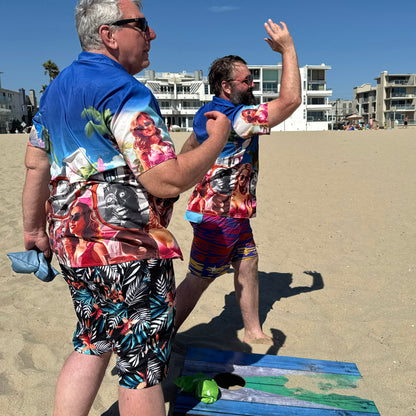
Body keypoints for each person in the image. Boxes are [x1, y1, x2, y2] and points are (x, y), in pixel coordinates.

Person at [21, 0, 230, 415]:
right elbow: (164, 178)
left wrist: (34, 232)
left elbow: (35, 166)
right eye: (142, 25)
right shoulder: (124, 90)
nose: (152, 34)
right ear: (109, 35)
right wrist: (217, 140)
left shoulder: (56, 89)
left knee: (92, 339)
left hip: (73, 245)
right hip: (126, 248)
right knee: (141, 365)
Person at [174, 20, 301, 345]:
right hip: (220, 215)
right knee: (198, 279)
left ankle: (252, 329)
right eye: (246, 80)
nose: (252, 83)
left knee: (248, 262)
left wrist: (176, 183)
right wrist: (287, 49)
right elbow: (289, 102)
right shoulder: (239, 118)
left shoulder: (209, 112)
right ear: (226, 86)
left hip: (228, 212)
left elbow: (191, 145)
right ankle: (159, 337)